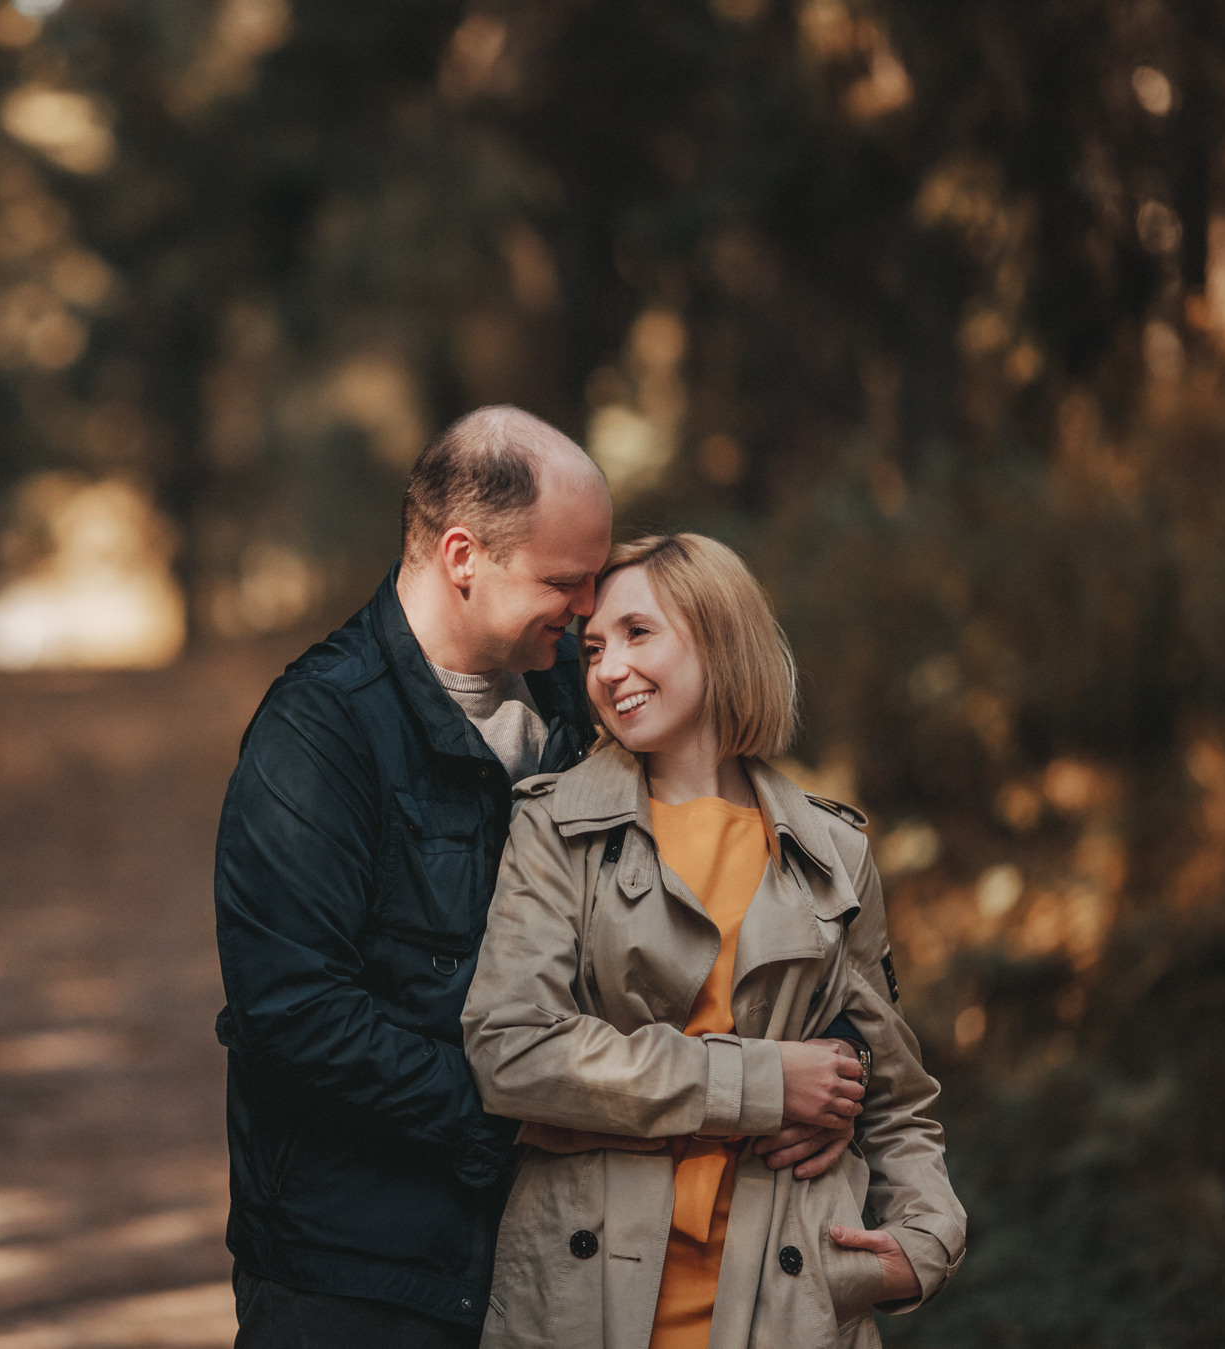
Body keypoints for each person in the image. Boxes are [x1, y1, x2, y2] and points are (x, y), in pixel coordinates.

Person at [214, 411, 866, 1348]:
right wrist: (518, 1114)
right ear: (461, 554)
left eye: (595, 579)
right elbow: (293, 1014)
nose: (587, 608)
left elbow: (743, 893)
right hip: (357, 1271)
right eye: (565, 581)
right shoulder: (318, 735)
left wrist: (837, 1069)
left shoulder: (583, 694)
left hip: (563, 1265)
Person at [462, 533, 966, 1349]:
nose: (606, 669)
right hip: (584, 1297)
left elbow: (895, 1094)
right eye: (591, 648)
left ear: (718, 634)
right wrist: (761, 1080)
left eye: (636, 633)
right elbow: (510, 1047)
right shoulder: (552, 826)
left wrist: (926, 1241)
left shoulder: (834, 852)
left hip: (792, 1300)